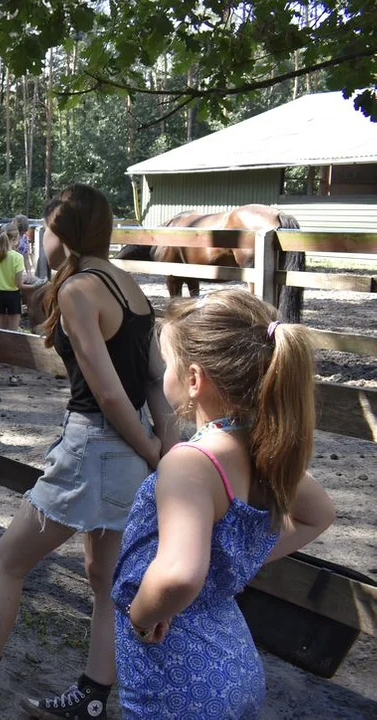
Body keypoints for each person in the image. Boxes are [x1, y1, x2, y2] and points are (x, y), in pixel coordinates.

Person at [0, 184, 178, 713]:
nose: (40, 240)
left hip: (93, 445)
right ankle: (92, 698)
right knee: (105, 580)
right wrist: (163, 444)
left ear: (63, 236)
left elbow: (107, 390)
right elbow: (155, 380)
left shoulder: (77, 292)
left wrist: (152, 448)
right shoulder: (130, 288)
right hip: (129, 450)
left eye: (46, 230)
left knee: (8, 559)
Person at [113, 289, 334, 717]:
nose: (163, 376)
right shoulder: (260, 448)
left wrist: (141, 613)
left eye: (167, 364)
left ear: (194, 379)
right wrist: (233, 561)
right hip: (232, 659)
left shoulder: (191, 464)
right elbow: (317, 514)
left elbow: (178, 576)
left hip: (176, 673)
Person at [0, 218, 27, 387]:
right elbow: (18, 284)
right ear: (15, 239)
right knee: (13, 335)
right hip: (14, 298)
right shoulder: (17, 257)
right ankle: (14, 375)